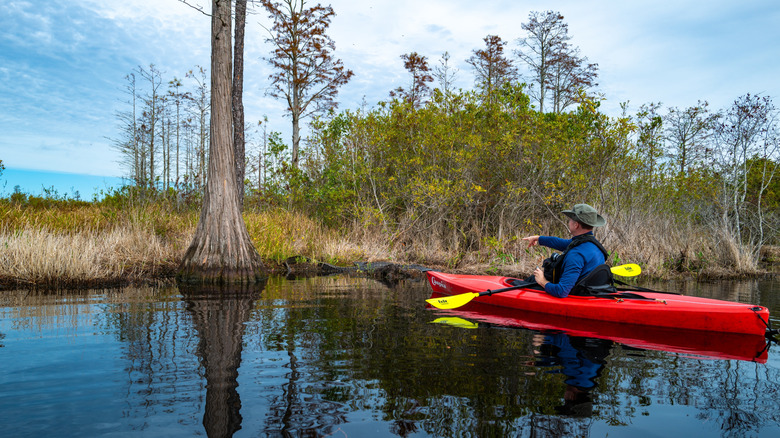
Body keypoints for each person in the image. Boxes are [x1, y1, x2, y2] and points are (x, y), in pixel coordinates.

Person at [522, 203, 609, 298]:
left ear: (576, 225)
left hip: (576, 296)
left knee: (528, 282)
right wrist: (538, 238)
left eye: (570, 220)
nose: (569, 222)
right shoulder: (592, 244)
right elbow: (563, 243)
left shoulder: (576, 254)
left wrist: (542, 281)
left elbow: (562, 292)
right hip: (591, 292)